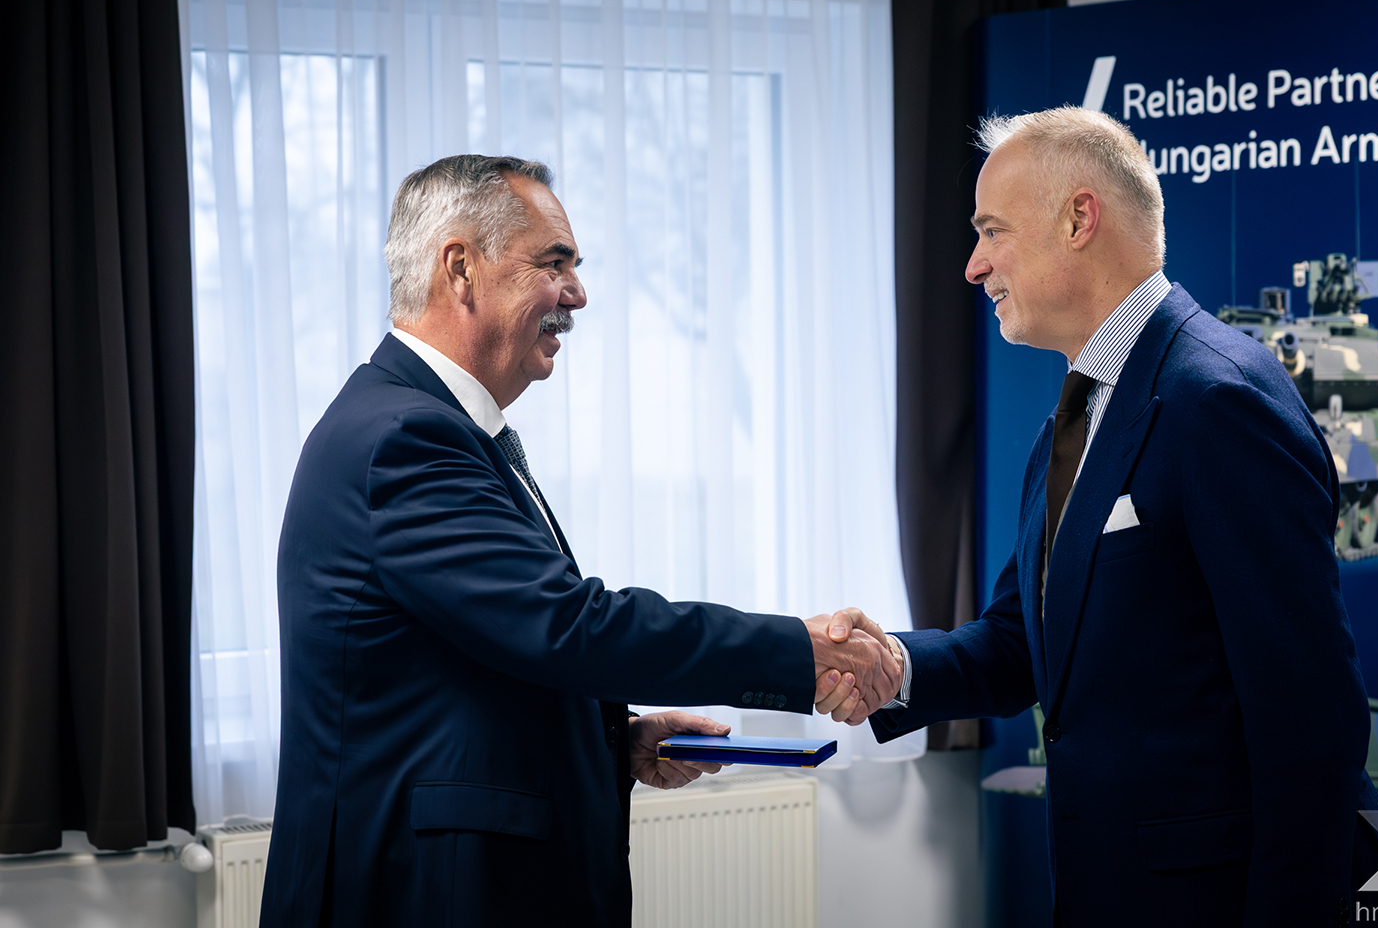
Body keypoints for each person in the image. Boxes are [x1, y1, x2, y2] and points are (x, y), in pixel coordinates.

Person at [260, 154, 900, 927]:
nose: (577, 294)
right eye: (553, 263)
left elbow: (480, 662)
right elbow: (567, 625)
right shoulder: (403, 438)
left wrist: (612, 741)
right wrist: (801, 649)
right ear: (460, 268)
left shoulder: (429, 425)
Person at [824, 108, 1378, 925]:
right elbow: (1024, 640)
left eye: (991, 231)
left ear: (1078, 219)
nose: (973, 265)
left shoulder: (1219, 399)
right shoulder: (1075, 414)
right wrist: (893, 666)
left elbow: (1311, 724)